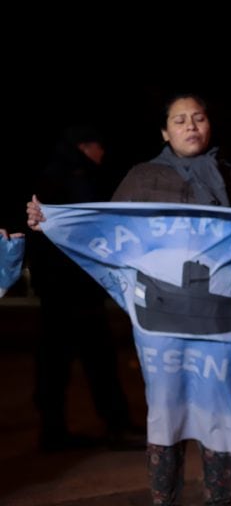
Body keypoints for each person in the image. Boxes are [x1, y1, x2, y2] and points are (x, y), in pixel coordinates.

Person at [27, 94, 231, 505]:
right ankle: (164, 499)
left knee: (220, 417)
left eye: (199, 118)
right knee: (166, 412)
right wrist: (55, 222)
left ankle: (219, 499)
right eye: (179, 120)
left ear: (209, 125)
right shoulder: (142, 178)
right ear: (164, 132)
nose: (190, 126)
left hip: (219, 325)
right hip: (162, 325)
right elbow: (107, 233)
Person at [27, 126, 142, 452]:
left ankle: (53, 431)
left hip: (56, 286)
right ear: (86, 146)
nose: (103, 155)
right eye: (100, 148)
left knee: (56, 361)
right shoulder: (76, 176)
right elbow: (88, 228)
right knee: (97, 358)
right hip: (73, 287)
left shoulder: (53, 172)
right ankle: (115, 425)